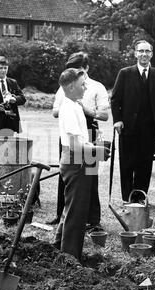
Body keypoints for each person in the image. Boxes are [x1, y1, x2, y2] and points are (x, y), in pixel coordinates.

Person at [52, 68, 110, 261]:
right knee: (77, 213)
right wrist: (96, 151)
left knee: (72, 207)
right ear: (70, 86)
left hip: (79, 159)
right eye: (81, 84)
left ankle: (58, 245)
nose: (85, 87)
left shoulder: (75, 105)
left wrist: (94, 146)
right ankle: (70, 256)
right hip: (75, 161)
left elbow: (81, 142)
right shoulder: (68, 109)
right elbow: (75, 146)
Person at [110, 40, 155, 203]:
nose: (144, 54)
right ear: (135, 53)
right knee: (127, 165)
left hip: (150, 129)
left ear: (151, 54)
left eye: (147, 51)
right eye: (141, 51)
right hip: (128, 128)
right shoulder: (125, 73)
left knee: (145, 165)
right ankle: (128, 199)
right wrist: (117, 120)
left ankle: (140, 197)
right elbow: (115, 100)